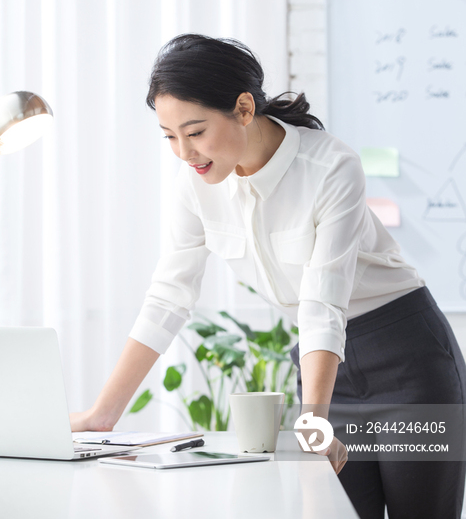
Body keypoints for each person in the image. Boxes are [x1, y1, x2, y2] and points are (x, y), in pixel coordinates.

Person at [71, 34, 466, 518]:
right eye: (170, 136)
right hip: (326, 371)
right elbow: (168, 298)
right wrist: (102, 415)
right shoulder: (196, 185)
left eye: (195, 132)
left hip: (408, 361)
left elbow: (324, 300)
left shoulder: (330, 166)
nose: (183, 152)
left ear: (242, 107)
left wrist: (312, 415)